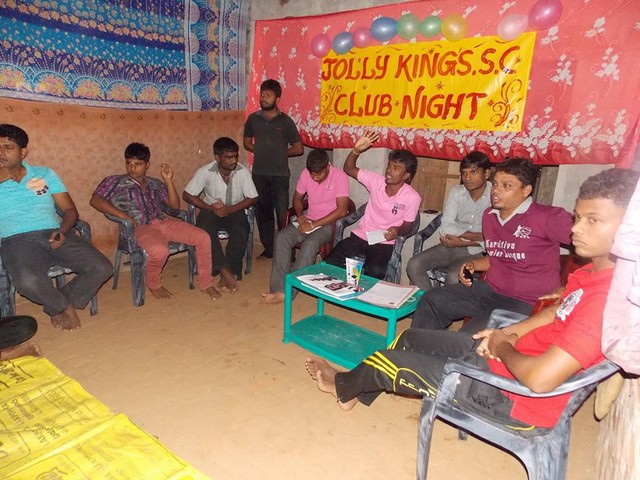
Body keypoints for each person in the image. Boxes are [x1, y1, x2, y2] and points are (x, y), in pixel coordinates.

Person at [305, 168, 639, 429]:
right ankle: (354, 393)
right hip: (504, 359)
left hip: (511, 398)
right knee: (407, 338)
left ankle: (343, 384)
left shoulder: (605, 302)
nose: (576, 228)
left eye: (593, 220)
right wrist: (509, 334)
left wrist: (502, 345)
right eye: (578, 218)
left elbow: (540, 381)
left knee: (390, 361)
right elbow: (554, 313)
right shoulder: (592, 274)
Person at [411, 157, 573, 333]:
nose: (496, 191)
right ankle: (420, 345)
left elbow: (592, 245)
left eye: (507, 186)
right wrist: (473, 264)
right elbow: (496, 257)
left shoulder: (547, 217)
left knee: (469, 337)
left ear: (526, 190)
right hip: (490, 291)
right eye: (495, 184)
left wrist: (571, 286)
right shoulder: (490, 216)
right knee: (431, 300)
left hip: (526, 302)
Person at [0, 124, 112, 331]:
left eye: (8, 147)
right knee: (27, 281)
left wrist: (62, 231)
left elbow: (69, 210)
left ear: (23, 152)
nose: (1, 153)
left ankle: (57, 303)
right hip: (17, 240)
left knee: (102, 267)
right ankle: (64, 307)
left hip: (53, 232)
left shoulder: (45, 174)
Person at [90, 143, 219, 300]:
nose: (132, 168)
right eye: (129, 163)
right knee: (159, 250)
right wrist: (123, 216)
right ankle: (154, 284)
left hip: (163, 223)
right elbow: (95, 200)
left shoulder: (155, 183)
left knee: (203, 237)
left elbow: (174, 206)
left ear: (147, 165)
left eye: (138, 164)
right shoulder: (115, 181)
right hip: (141, 227)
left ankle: (206, 283)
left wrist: (168, 181)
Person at [323, 132, 421, 280]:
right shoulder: (376, 181)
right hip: (361, 235)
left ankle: (363, 292)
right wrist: (356, 150)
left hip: (383, 241)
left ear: (406, 175)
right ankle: (342, 287)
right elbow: (349, 168)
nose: (389, 170)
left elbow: (408, 224)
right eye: (389, 165)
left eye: (396, 167)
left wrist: (397, 230)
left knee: (376, 271)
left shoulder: (412, 197)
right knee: (330, 262)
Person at [261, 149, 350, 305]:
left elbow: (342, 210)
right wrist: (300, 216)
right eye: (312, 174)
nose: (314, 178)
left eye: (319, 174)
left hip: (328, 223)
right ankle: (278, 289)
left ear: (328, 167)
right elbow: (297, 199)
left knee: (310, 244)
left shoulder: (339, 177)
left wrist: (314, 225)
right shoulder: (305, 174)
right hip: (308, 218)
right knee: (282, 237)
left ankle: (289, 292)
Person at [406, 151, 491, 290]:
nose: (467, 178)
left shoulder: (495, 196)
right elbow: (446, 227)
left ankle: (443, 303)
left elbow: (494, 238)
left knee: (454, 275)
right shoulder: (457, 191)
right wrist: (477, 236)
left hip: (476, 252)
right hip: (450, 245)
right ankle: (430, 300)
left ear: (486, 174)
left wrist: (463, 241)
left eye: (473, 172)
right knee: (414, 265)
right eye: (464, 173)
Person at [183, 137, 258, 293]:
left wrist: (229, 210)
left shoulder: (242, 172)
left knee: (241, 229)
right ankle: (225, 271)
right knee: (204, 231)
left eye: (235, 156)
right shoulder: (205, 171)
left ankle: (229, 271)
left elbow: (253, 198)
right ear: (217, 157)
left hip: (234, 209)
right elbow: (188, 195)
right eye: (228, 157)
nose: (234, 161)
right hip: (211, 209)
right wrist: (209, 207)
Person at [243, 79, 303, 260]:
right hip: (259, 174)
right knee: (263, 214)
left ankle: (289, 252)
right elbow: (247, 143)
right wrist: (261, 151)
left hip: (280, 176)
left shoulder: (286, 122)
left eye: (268, 95)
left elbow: (298, 149)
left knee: (282, 214)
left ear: (277, 99)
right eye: (262, 94)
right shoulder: (253, 119)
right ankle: (269, 249)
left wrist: (279, 153)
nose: (263, 98)